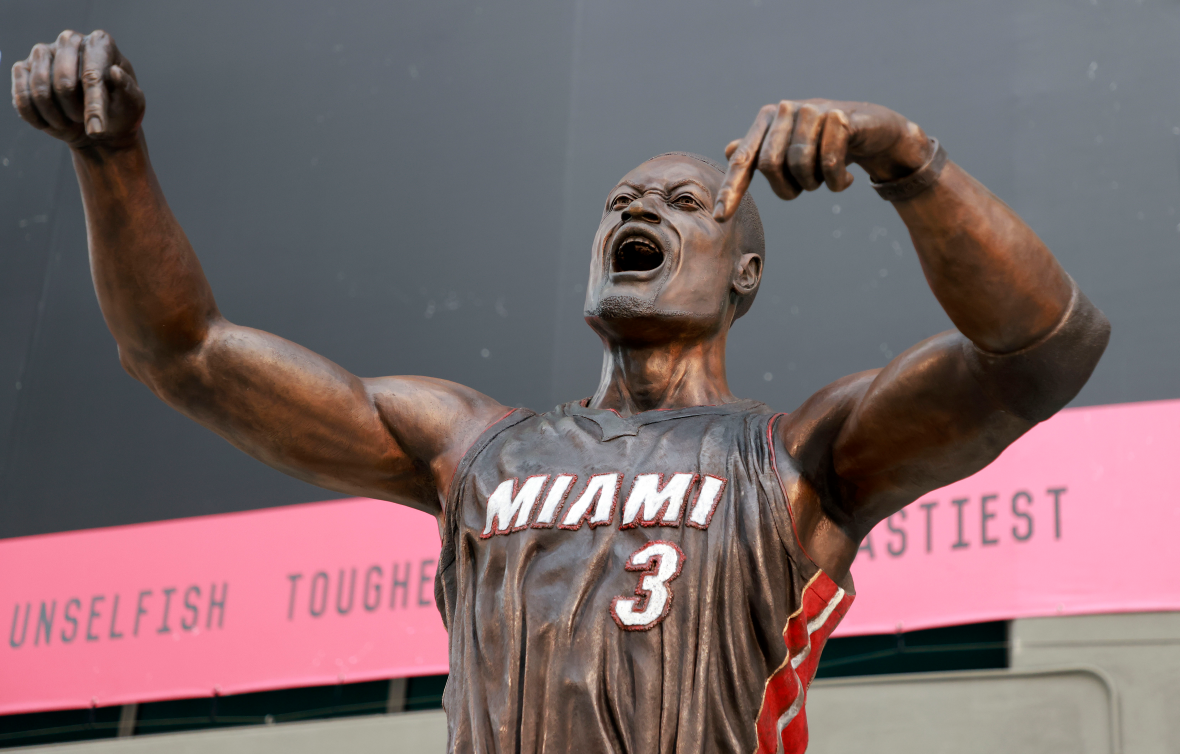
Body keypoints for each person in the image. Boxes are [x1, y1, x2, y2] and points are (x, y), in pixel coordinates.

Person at [11, 30, 1108, 754]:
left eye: (688, 202)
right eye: (624, 201)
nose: (644, 209)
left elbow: (1043, 348)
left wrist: (905, 158)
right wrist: (114, 157)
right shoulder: (470, 446)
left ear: (745, 276)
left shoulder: (798, 454)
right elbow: (185, 353)